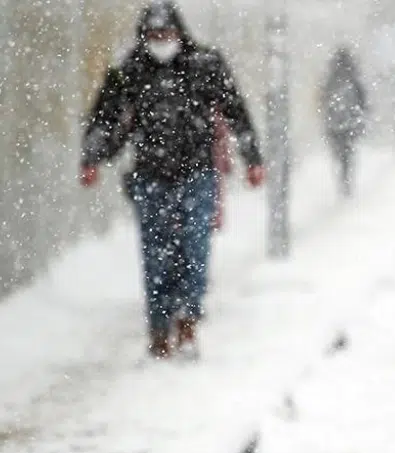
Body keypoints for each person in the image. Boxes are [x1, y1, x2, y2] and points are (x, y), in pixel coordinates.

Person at [80, 1, 263, 359]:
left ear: (180, 33)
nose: (161, 41)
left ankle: (188, 320)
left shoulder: (205, 65)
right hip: (150, 176)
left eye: (166, 34)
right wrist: (92, 157)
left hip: (197, 173)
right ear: (143, 37)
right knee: (156, 254)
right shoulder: (129, 70)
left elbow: (236, 110)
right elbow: (104, 117)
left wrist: (252, 158)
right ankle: (160, 327)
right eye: (154, 35)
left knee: (194, 248)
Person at [321, 47, 368, 197]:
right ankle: (346, 178)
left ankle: (343, 177)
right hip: (349, 124)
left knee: (340, 152)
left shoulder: (332, 77)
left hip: (334, 124)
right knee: (347, 153)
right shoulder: (352, 77)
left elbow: (324, 98)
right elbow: (363, 100)